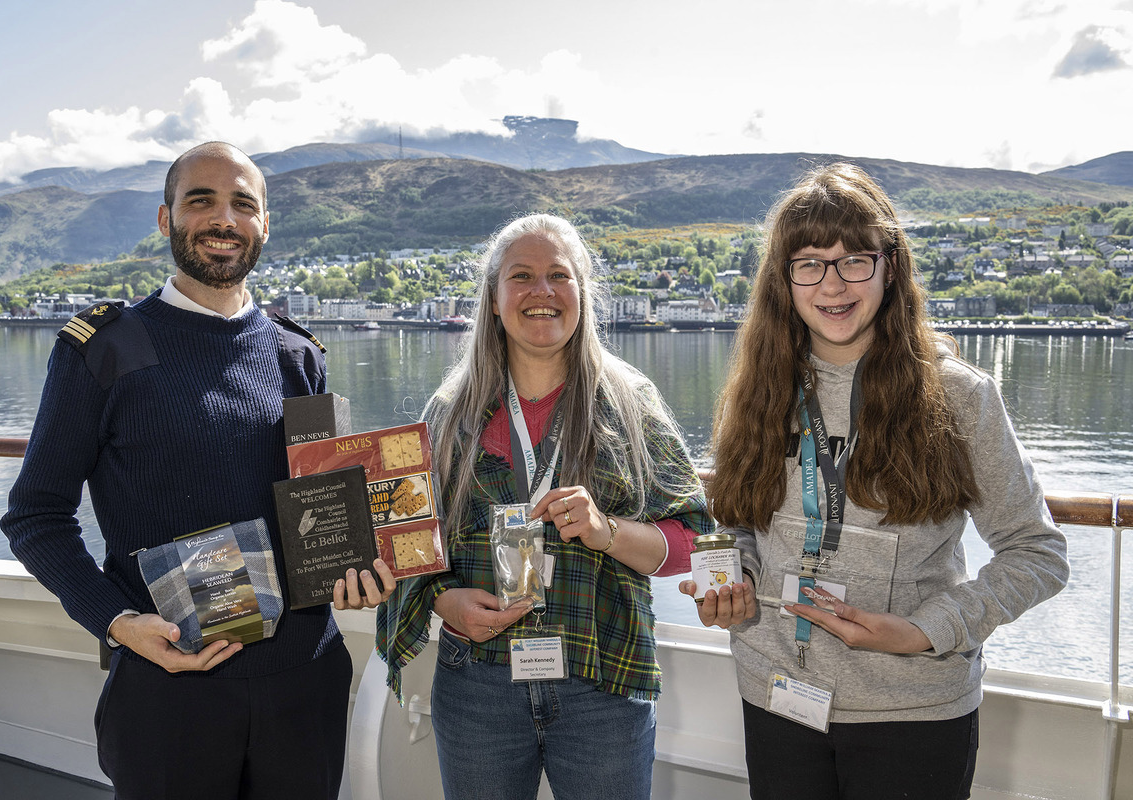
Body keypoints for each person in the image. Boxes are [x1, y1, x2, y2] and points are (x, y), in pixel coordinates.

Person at [1, 141, 394, 800]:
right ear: (165, 219)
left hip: (304, 683)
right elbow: (35, 517)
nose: (223, 219)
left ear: (264, 225)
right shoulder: (105, 348)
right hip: (169, 685)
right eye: (200, 200)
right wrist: (116, 621)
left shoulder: (299, 357)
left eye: (244, 204)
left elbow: (320, 519)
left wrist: (359, 570)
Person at [681, 163, 1069, 799]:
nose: (832, 283)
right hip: (776, 694)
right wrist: (737, 579)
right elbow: (738, 522)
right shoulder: (758, 391)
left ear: (891, 268)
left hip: (913, 709)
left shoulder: (960, 397)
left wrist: (927, 629)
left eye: (854, 259)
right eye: (809, 262)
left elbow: (1038, 552)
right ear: (784, 281)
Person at [378, 213, 713, 799]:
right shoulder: (447, 411)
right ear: (494, 298)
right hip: (477, 684)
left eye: (559, 274)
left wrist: (607, 530)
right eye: (522, 275)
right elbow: (410, 544)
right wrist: (442, 599)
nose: (542, 291)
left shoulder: (631, 402)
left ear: (582, 293)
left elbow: (689, 541)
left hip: (602, 681)